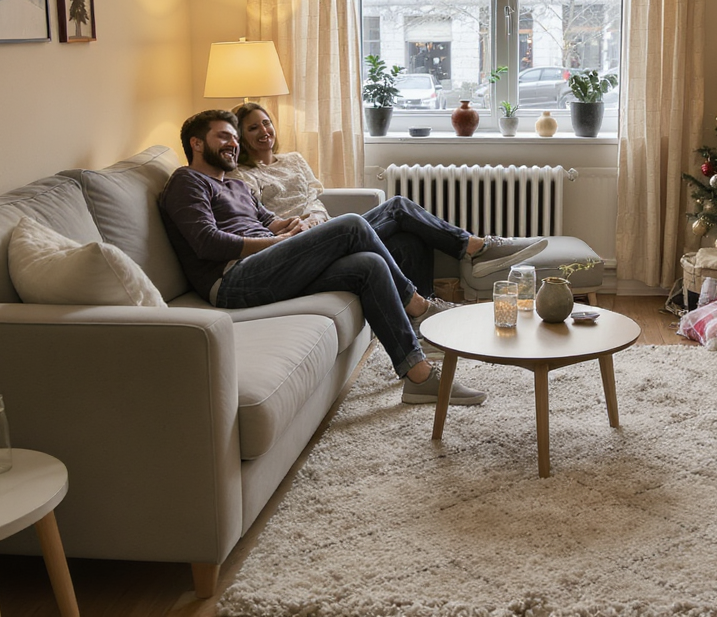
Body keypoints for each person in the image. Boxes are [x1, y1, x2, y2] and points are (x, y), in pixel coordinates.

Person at [159, 110, 497, 405]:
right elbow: (206, 242)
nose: (233, 144)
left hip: (269, 263)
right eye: (223, 137)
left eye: (235, 137)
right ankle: (420, 307)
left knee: (370, 265)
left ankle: (419, 377)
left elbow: (267, 221)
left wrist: (293, 226)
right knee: (351, 226)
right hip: (233, 280)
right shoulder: (187, 180)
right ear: (197, 143)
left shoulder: (235, 185)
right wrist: (276, 241)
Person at [227, 101, 547, 296]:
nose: (264, 131)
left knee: (409, 237)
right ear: (241, 137)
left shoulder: (294, 159)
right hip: (300, 247)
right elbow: (258, 220)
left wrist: (315, 216)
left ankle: (423, 313)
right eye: (253, 128)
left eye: (266, 123)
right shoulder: (242, 176)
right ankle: (475, 248)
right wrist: (301, 226)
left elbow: (314, 197)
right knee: (397, 207)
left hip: (327, 230)